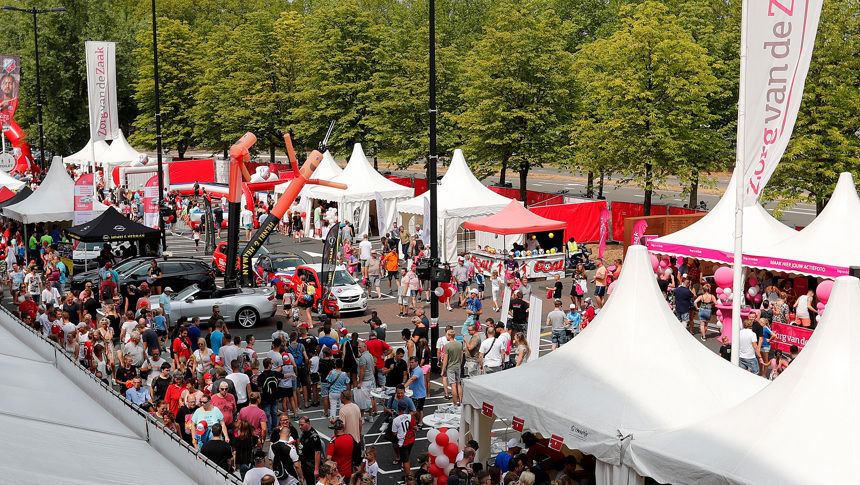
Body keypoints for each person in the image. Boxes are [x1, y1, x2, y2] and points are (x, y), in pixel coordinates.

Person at [392, 400, 417, 476]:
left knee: (405, 460)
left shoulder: (396, 420)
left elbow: (394, 433)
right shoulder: (410, 417)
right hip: (411, 440)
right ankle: (407, 472)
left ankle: (408, 478)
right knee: (406, 457)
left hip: (403, 442)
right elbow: (415, 427)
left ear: (398, 408)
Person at [299, 416, 324, 485]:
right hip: (305, 463)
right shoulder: (304, 433)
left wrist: (316, 469)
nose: (300, 427)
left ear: (308, 423)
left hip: (311, 465)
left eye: (302, 425)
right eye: (299, 425)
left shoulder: (314, 437)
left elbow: (317, 453)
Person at [441, 328, 463, 405]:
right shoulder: (460, 344)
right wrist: (459, 364)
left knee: (453, 385)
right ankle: (460, 400)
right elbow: (461, 356)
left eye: (447, 334)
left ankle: (455, 403)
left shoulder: (447, 346)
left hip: (450, 367)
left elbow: (445, 360)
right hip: (457, 366)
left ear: (450, 336)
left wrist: (443, 370)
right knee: (458, 384)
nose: (446, 336)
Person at [404, 359, 427, 426]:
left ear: (417, 362)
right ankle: (417, 421)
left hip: (419, 394)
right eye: (410, 362)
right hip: (415, 394)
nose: (411, 364)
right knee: (416, 409)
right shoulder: (414, 370)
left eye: (412, 362)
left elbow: (412, 379)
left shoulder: (418, 370)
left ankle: (420, 423)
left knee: (418, 410)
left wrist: (404, 386)